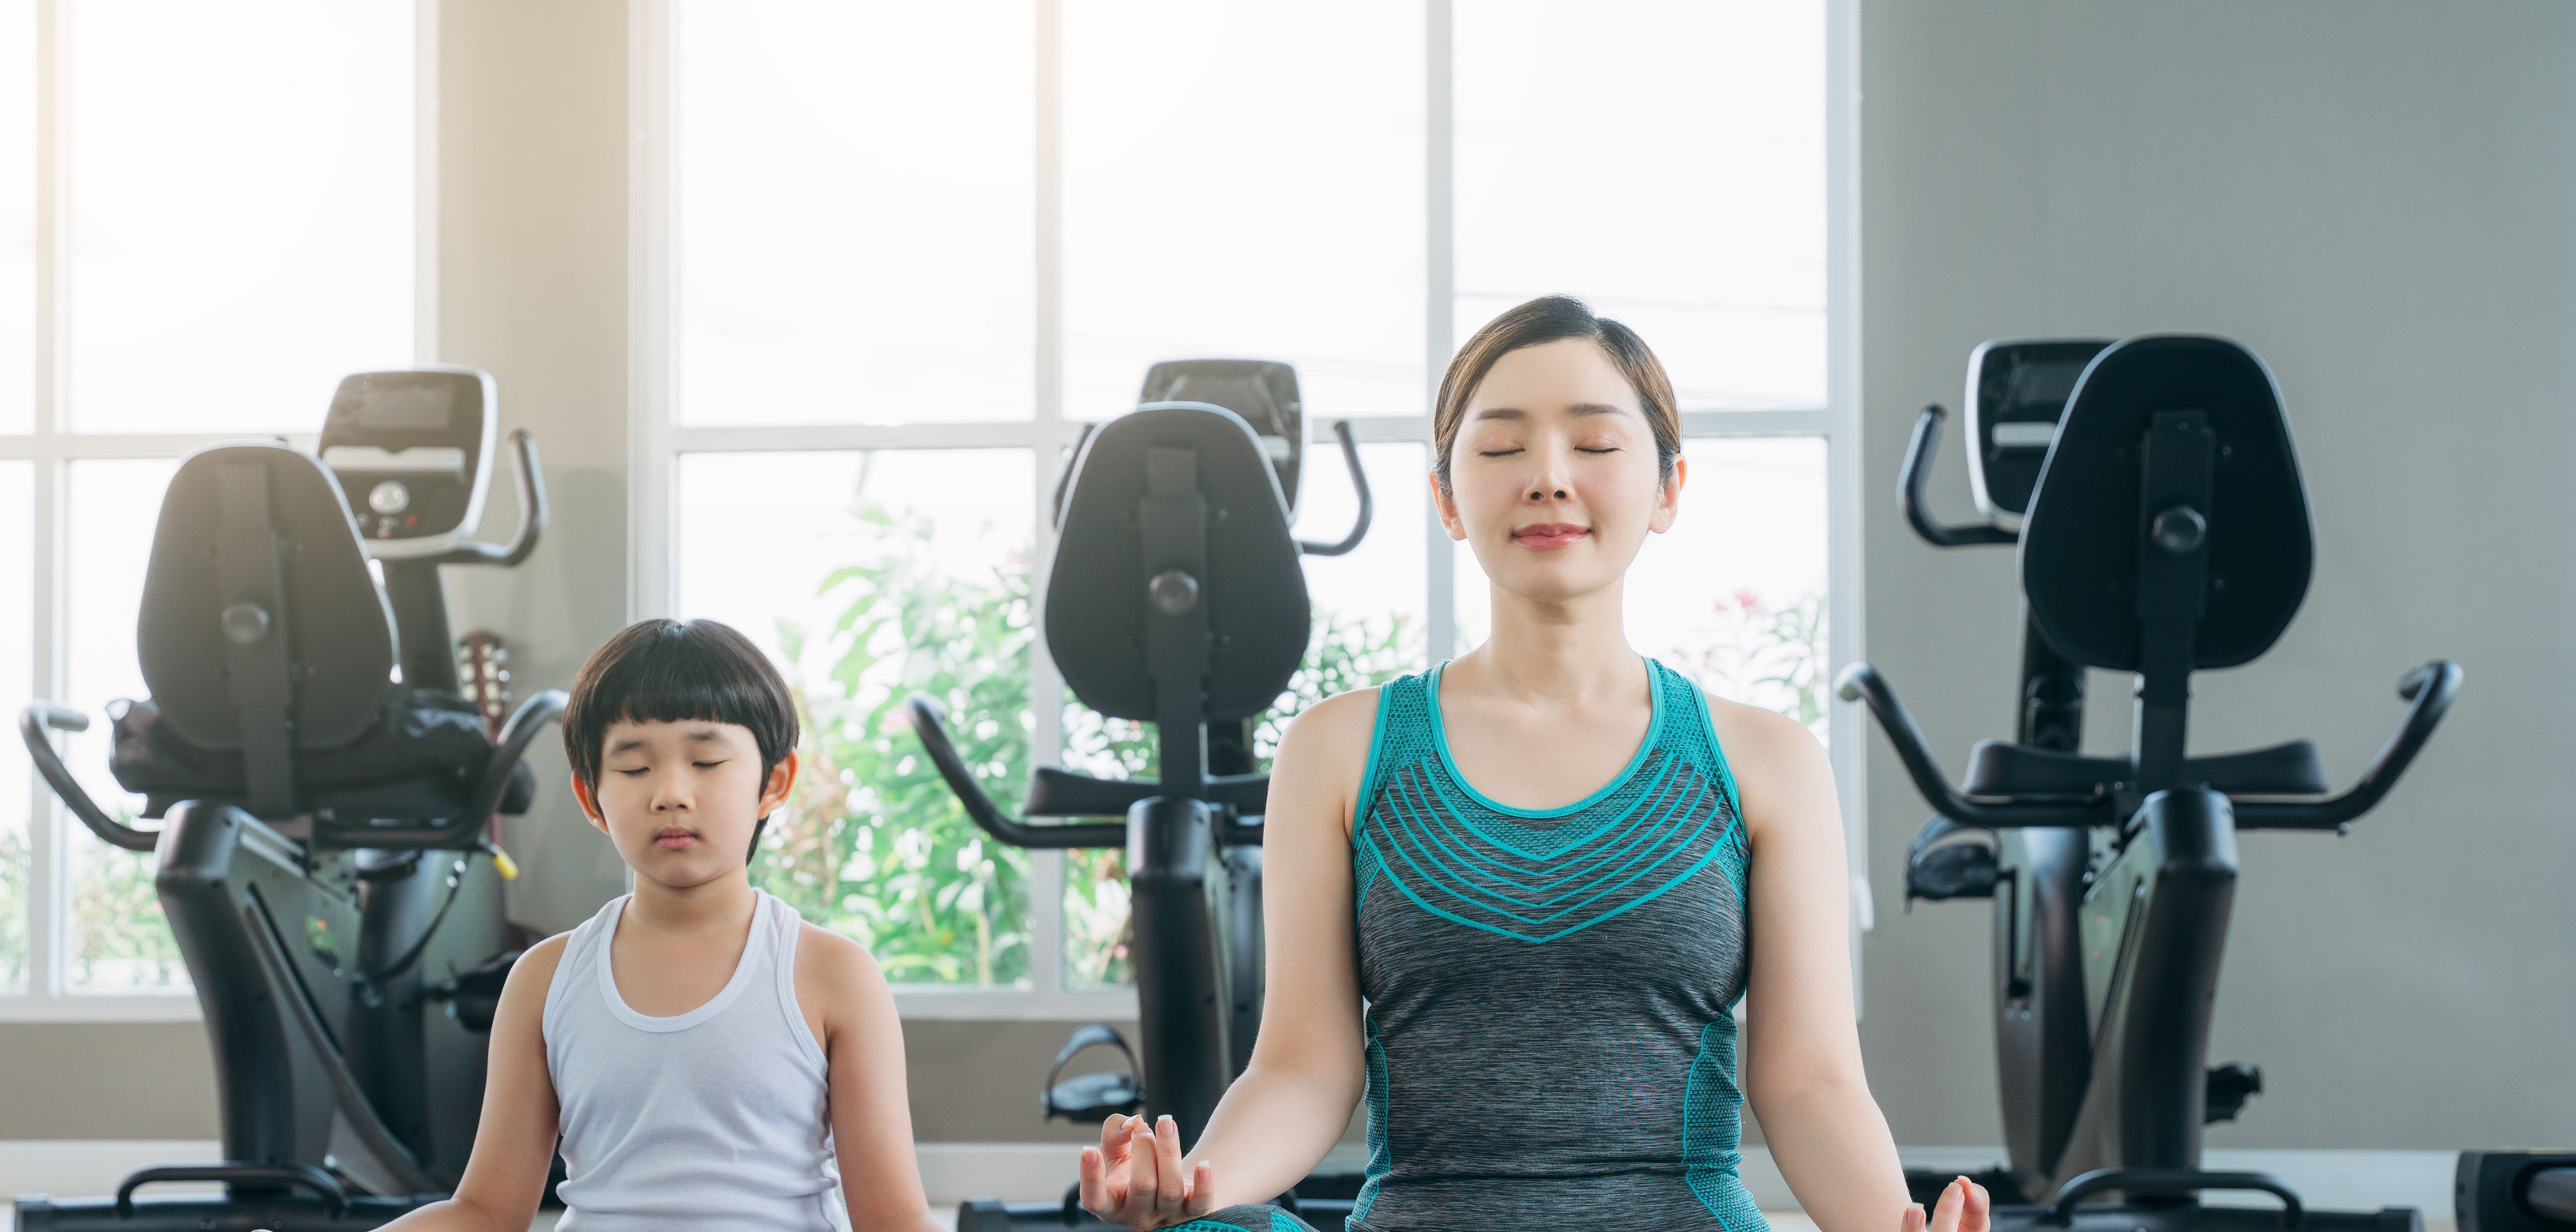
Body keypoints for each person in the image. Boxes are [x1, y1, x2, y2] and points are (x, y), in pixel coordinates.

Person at [1073, 296, 1991, 1232]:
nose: (1549, 478)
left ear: (1668, 488)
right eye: (1502, 448)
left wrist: (1893, 1225)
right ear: (1446, 497)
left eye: (1596, 445)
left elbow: (1810, 1082)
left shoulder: (1767, 759)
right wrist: (1195, 1188)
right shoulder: (1340, 748)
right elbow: (1304, 1066)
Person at [381, 618, 945, 1232]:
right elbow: (485, 1212)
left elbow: (893, 1220)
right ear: (591, 796)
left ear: (773, 782)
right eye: (633, 768)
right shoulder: (543, 979)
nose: (670, 793)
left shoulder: (834, 975)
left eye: (705, 761)